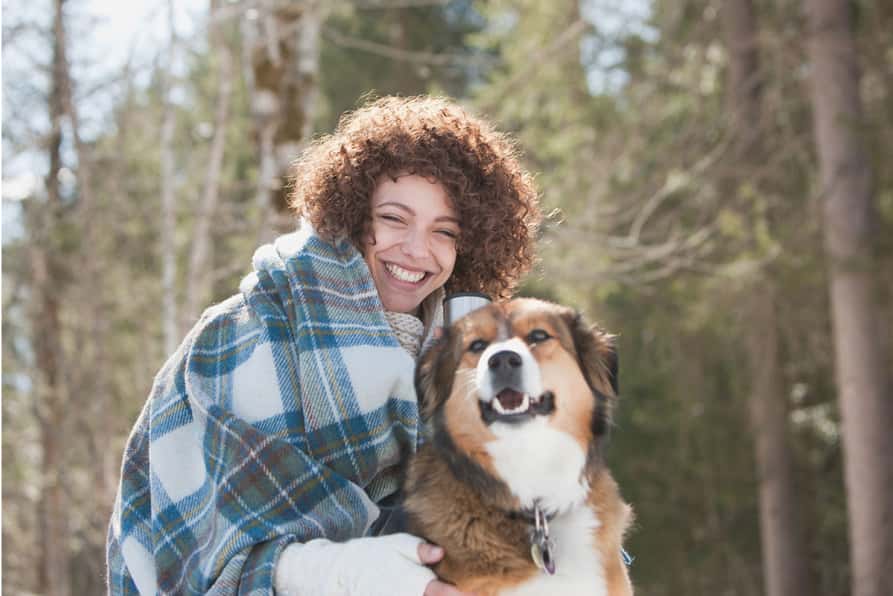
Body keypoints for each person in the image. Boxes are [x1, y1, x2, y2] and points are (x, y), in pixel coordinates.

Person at [106, 95, 541, 595]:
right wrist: (345, 573)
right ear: (353, 215)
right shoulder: (243, 336)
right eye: (394, 220)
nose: (418, 250)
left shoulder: (464, 355)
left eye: (444, 231)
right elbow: (191, 544)